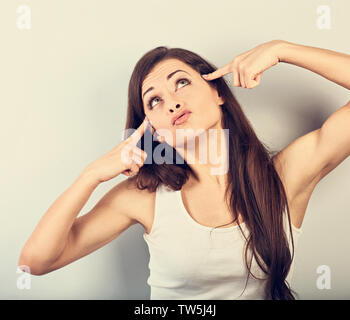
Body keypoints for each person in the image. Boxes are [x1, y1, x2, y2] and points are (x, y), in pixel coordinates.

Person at [18, 40, 350, 300]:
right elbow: (35, 262)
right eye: (155, 101)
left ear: (218, 92)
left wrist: (282, 50)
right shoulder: (144, 197)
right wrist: (90, 175)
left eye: (182, 82)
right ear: (154, 130)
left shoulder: (284, 176)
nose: (172, 102)